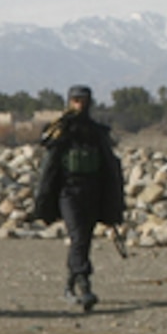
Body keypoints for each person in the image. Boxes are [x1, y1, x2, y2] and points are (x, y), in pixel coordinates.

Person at [34, 85, 124, 311]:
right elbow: (48, 156)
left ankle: (70, 283)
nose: (79, 104)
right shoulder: (61, 129)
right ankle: (84, 285)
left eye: (83, 100)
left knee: (84, 237)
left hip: (93, 191)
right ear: (69, 102)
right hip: (68, 191)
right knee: (77, 236)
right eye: (75, 100)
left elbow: (109, 166)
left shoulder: (97, 132)